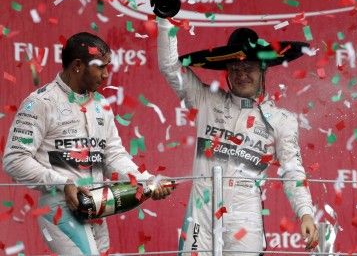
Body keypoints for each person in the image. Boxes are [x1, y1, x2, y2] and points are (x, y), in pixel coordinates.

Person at [156, 19, 319, 255]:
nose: (242, 74)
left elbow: (293, 171)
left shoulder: (282, 119)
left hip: (246, 215)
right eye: (235, 68)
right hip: (201, 213)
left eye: (249, 67)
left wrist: (305, 213)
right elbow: (170, 67)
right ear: (226, 71)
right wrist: (165, 19)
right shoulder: (206, 100)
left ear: (263, 67)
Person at [3, 32, 173, 255]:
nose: (106, 75)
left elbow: (113, 155)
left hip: (97, 208)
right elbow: (14, 159)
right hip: (61, 209)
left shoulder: (101, 104)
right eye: (100, 67)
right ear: (77, 66)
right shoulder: (40, 102)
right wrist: (63, 183)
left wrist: (146, 180)